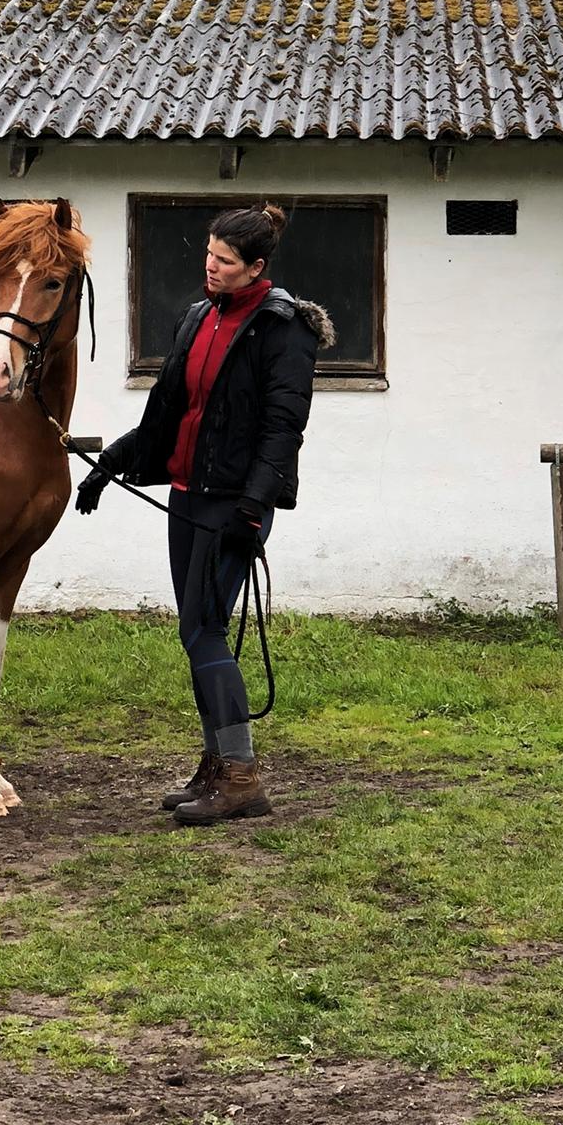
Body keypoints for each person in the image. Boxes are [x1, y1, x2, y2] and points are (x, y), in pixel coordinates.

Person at [75, 204, 334, 824]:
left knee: (204, 631)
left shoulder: (283, 327)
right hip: (188, 495)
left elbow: (283, 426)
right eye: (209, 255)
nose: (210, 267)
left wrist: (255, 504)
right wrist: (110, 464)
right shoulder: (198, 318)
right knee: (195, 631)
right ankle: (219, 764)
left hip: (235, 504)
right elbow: (168, 410)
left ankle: (242, 776)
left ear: (256, 268)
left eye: (225, 261)